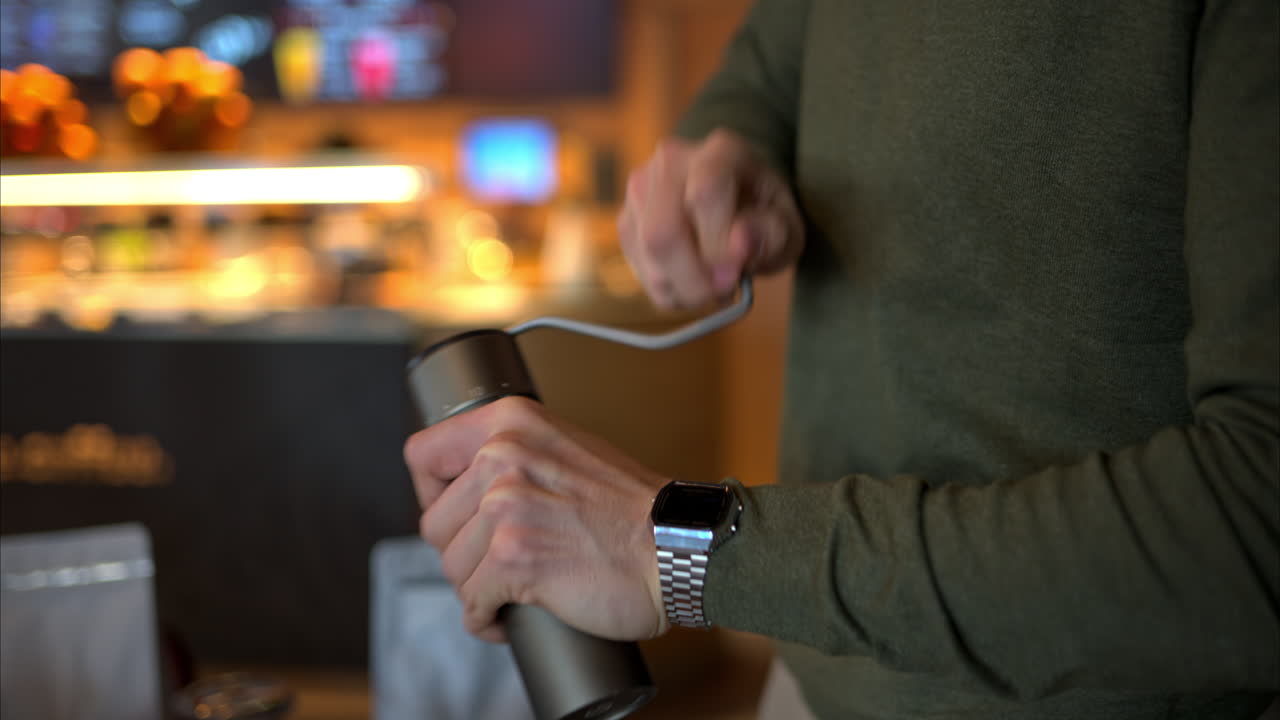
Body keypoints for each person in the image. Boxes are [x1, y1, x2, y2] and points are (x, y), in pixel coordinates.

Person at [404, 0, 1280, 718]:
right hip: (814, 679)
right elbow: (770, 59)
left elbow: (1255, 521)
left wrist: (678, 547)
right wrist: (725, 148)